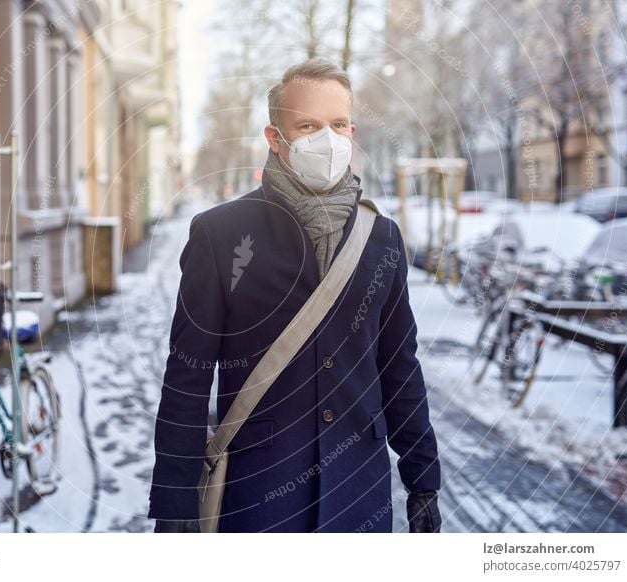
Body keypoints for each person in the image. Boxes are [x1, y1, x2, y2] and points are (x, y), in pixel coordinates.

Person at [148, 58, 442, 533]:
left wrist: (423, 478)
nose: (326, 139)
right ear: (274, 138)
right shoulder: (220, 235)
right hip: (257, 496)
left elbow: (399, 366)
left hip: (359, 496)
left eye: (338, 124)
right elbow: (187, 375)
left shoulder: (381, 237)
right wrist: (176, 499)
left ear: (352, 131)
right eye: (307, 125)